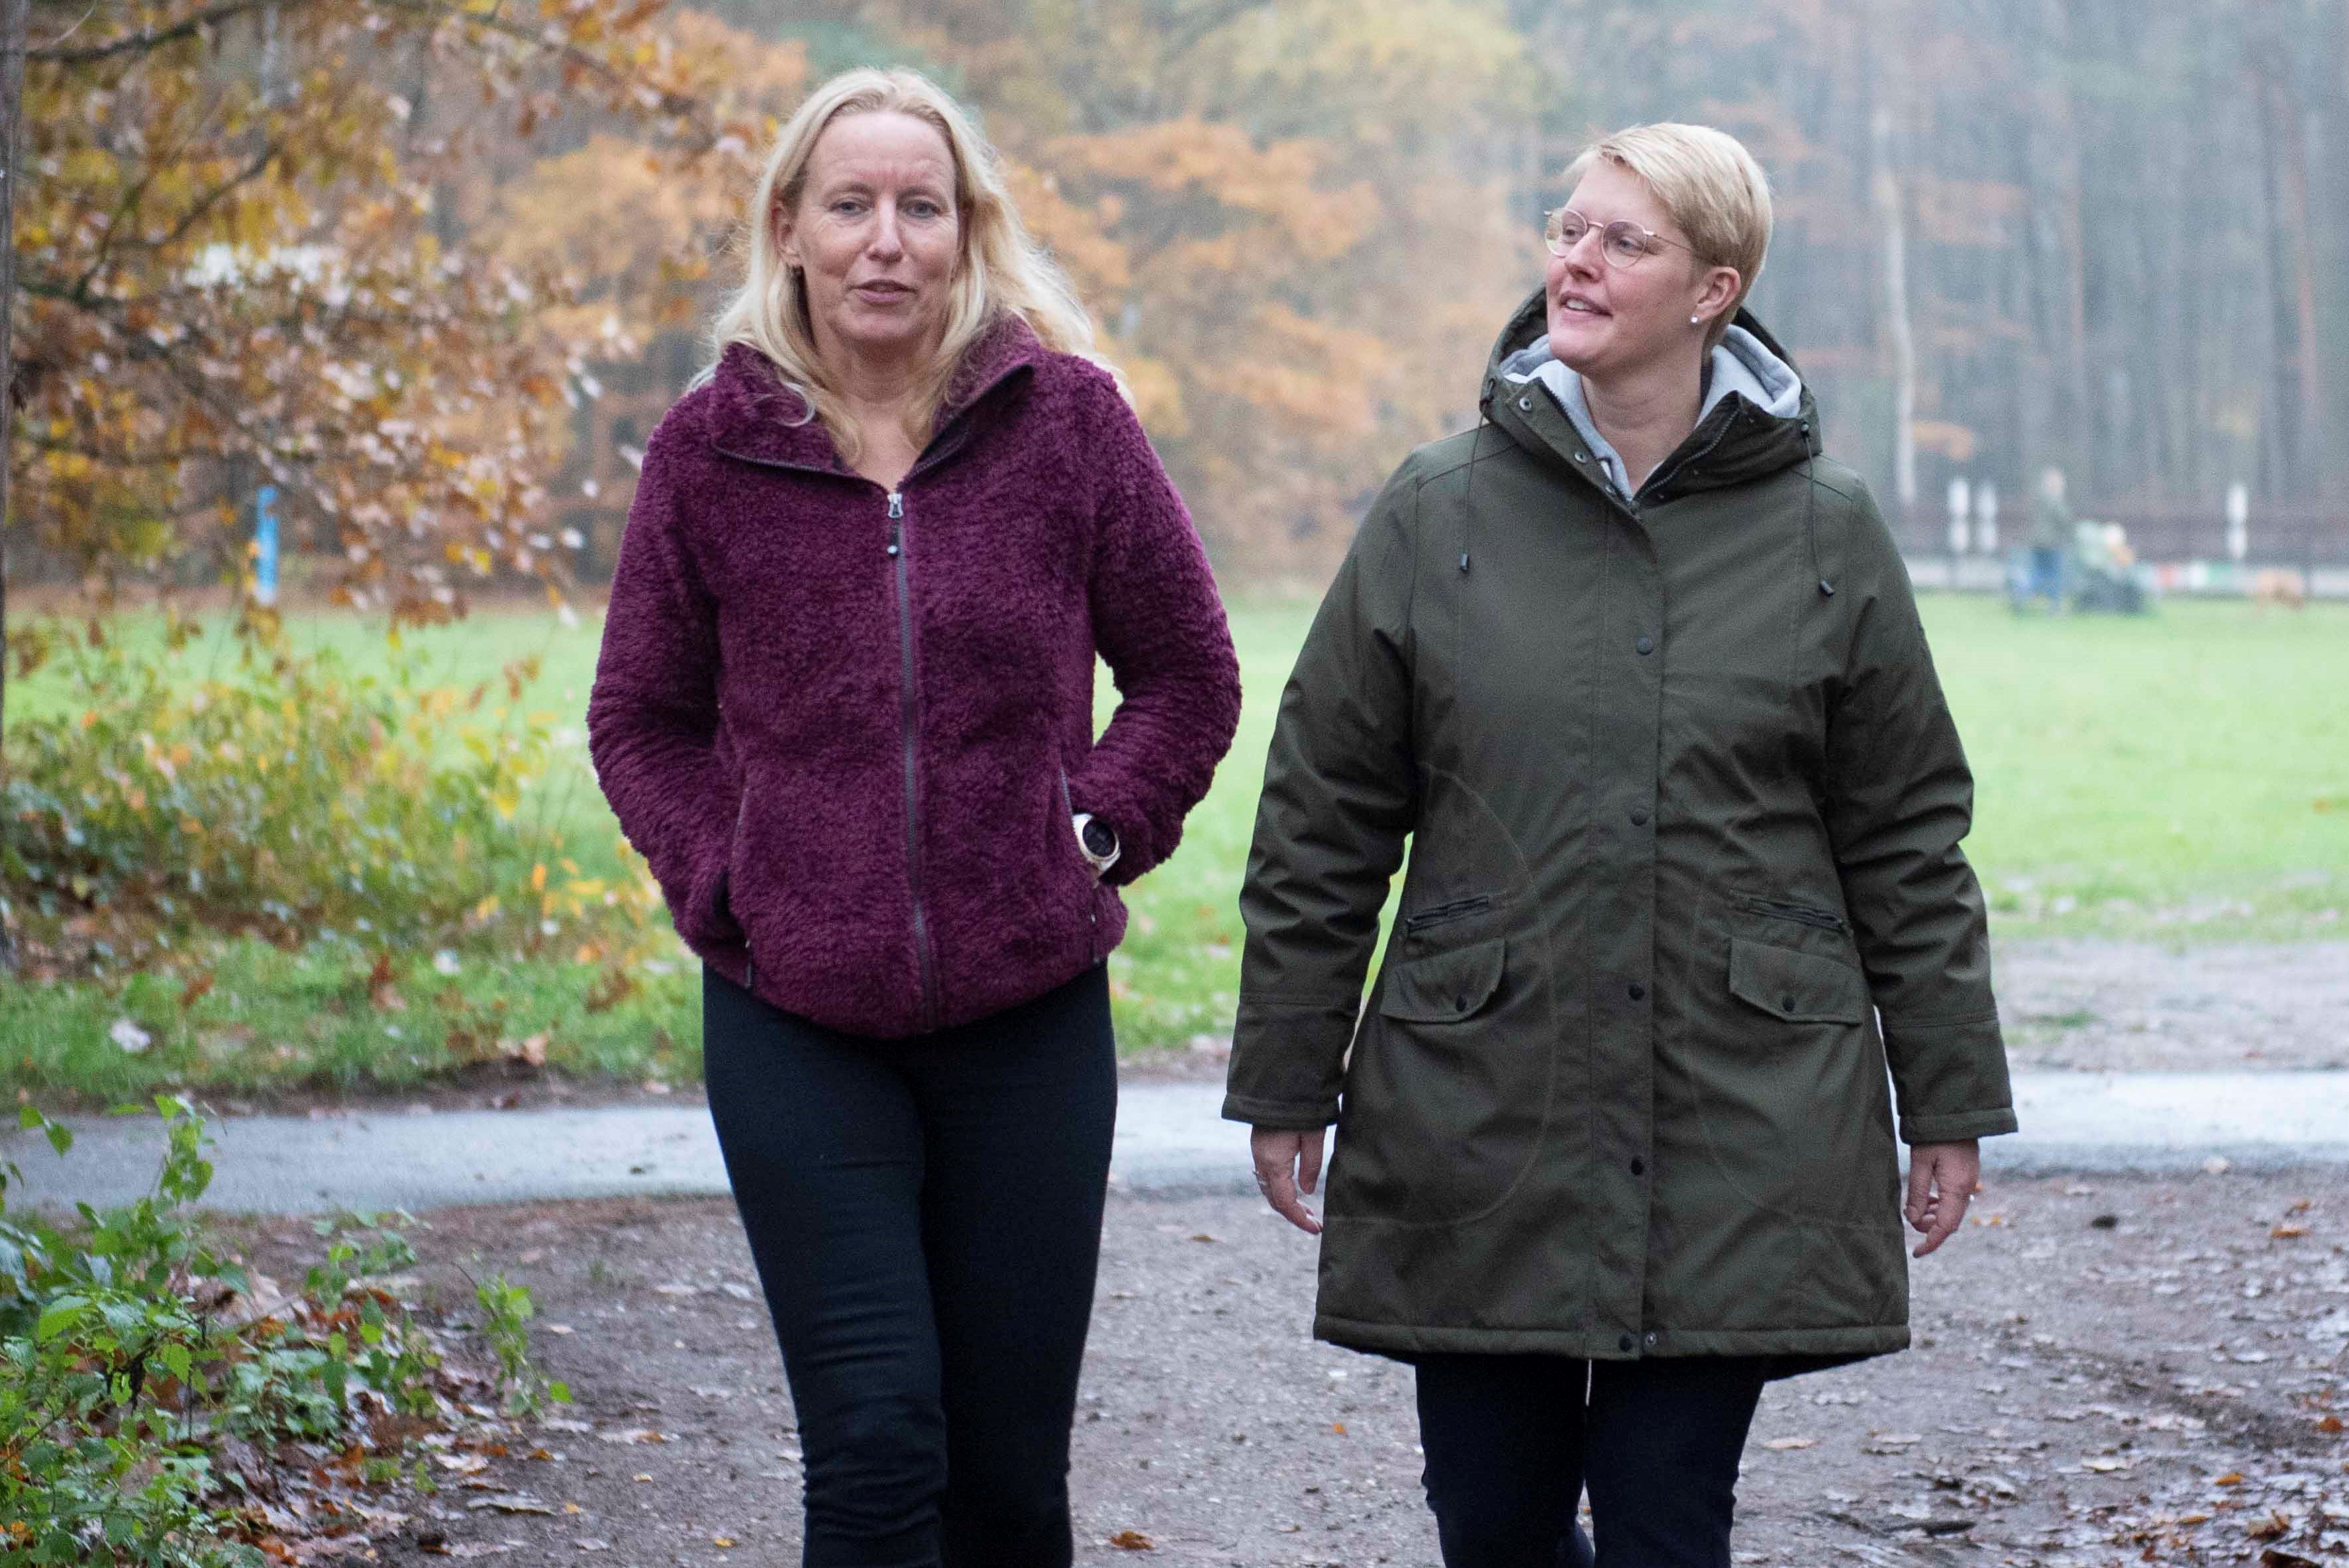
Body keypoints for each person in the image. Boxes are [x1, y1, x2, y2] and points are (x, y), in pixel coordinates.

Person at [1225, 122, 2015, 1568]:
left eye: (1621, 240)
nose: (1571, 260)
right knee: (1496, 1525)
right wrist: (1286, 1073)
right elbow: (1324, 817)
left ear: (1714, 289)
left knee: (1665, 1521)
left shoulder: (1826, 528)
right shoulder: (1434, 507)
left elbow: (1904, 832)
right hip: (1476, 1109)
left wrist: (1948, 1091)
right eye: (1564, 227)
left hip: (1742, 1109)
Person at [587, 68, 1240, 1567]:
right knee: (876, 1437)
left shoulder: (1064, 425)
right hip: (792, 1011)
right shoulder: (708, 452)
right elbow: (639, 718)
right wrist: (722, 870)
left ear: (966, 232)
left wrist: (1093, 830)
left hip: (1026, 1015)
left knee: (1007, 1480)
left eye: (919, 207)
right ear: (792, 231)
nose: (886, 239)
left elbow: (1187, 674)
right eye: (851, 205)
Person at [2023, 465, 2072, 611]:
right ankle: (2055, 607)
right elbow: (2064, 518)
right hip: (2052, 543)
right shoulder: (2055, 500)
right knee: (2055, 575)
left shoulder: (2039, 498)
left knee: (2038, 573)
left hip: (2037, 541)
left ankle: (2022, 591)